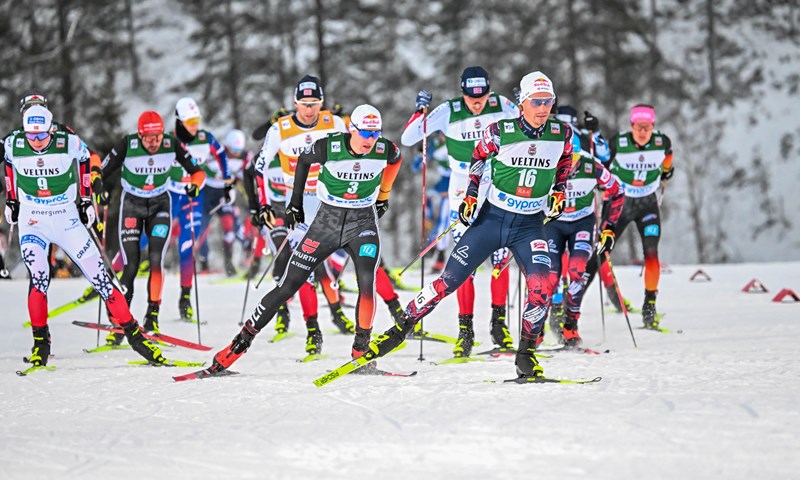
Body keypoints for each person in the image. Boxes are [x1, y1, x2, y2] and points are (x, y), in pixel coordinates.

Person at [357, 71, 573, 379]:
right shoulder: (500, 129)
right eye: (536, 102)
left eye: (548, 101)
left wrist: (560, 190)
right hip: (492, 219)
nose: (543, 108)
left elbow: (566, 160)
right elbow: (478, 158)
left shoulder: (560, 133)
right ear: (523, 103)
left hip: (529, 225)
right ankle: (399, 329)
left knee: (542, 287)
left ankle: (525, 355)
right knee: (449, 280)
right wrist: (471, 197)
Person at [209, 104, 402, 372]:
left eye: (375, 133)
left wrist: (383, 196)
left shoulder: (384, 148)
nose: (371, 140)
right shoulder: (330, 146)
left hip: (362, 223)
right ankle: (236, 347)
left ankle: (361, 351)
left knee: (366, 283)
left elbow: (396, 159)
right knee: (288, 285)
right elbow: (302, 161)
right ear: (352, 130)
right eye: (366, 133)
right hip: (326, 223)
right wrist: (295, 204)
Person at [3, 105, 166, 367]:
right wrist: (11, 200)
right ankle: (40, 344)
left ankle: (136, 337)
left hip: (66, 219)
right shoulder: (14, 143)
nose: (36, 142)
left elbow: (86, 160)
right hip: (33, 221)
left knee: (101, 279)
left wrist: (85, 199)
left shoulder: (67, 141)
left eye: (41, 136)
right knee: (39, 277)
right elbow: (9, 166)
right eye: (31, 136)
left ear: (50, 129)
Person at [400, 66, 519, 357]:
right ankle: (465, 330)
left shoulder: (503, 105)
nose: (476, 102)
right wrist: (421, 110)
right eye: (470, 96)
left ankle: (498, 324)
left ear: (489, 91)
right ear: (462, 92)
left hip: (496, 180)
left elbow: (532, 127)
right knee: (465, 256)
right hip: (462, 183)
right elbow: (408, 138)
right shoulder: (449, 110)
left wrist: (524, 103)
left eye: (482, 96)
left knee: (500, 255)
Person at [253, 75, 355, 352]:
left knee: (348, 256)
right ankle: (313, 330)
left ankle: (354, 313)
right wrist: (262, 205)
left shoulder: (335, 123)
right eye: (304, 104)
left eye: (314, 104)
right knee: (306, 267)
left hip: (331, 198)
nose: (309, 110)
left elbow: (356, 152)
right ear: (295, 103)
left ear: (322, 103)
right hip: (298, 202)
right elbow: (258, 168)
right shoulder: (280, 129)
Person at [101, 111, 205, 338]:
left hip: (159, 205)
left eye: (157, 137)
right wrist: (101, 191)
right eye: (148, 138)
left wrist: (194, 185)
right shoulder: (127, 144)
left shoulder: (171, 143)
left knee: (157, 258)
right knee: (131, 264)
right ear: (139, 135)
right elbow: (102, 172)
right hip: (132, 205)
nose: (153, 142)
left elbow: (197, 172)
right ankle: (120, 320)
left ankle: (152, 317)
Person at [542, 130, 624, 347]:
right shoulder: (545, 166)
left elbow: (617, 192)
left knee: (577, 270)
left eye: (573, 158)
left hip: (582, 224)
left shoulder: (591, 166)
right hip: (553, 224)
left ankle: (570, 326)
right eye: (563, 159)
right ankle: (536, 327)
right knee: (548, 277)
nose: (569, 165)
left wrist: (609, 228)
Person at [598, 104, 673, 328]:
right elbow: (602, 165)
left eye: (647, 127)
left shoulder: (663, 142)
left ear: (653, 127)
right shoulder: (618, 143)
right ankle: (613, 293)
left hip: (647, 204)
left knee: (651, 252)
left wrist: (666, 175)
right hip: (619, 203)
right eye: (638, 127)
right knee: (602, 250)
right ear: (631, 126)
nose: (642, 132)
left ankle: (649, 306)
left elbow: (668, 162)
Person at [168, 97, 230, 321]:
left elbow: (221, 155)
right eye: (189, 121)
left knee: (187, 246)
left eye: (196, 120)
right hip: (170, 194)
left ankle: (185, 298)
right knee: (149, 242)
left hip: (194, 196)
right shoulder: (170, 140)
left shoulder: (205, 137)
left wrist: (227, 181)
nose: (194, 125)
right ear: (179, 121)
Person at [219, 129, 251, 276]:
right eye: (233, 150)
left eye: (239, 150)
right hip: (215, 192)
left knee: (239, 228)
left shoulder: (245, 157)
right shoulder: (219, 153)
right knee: (229, 228)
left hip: (235, 192)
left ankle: (244, 260)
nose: (236, 153)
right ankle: (228, 263)